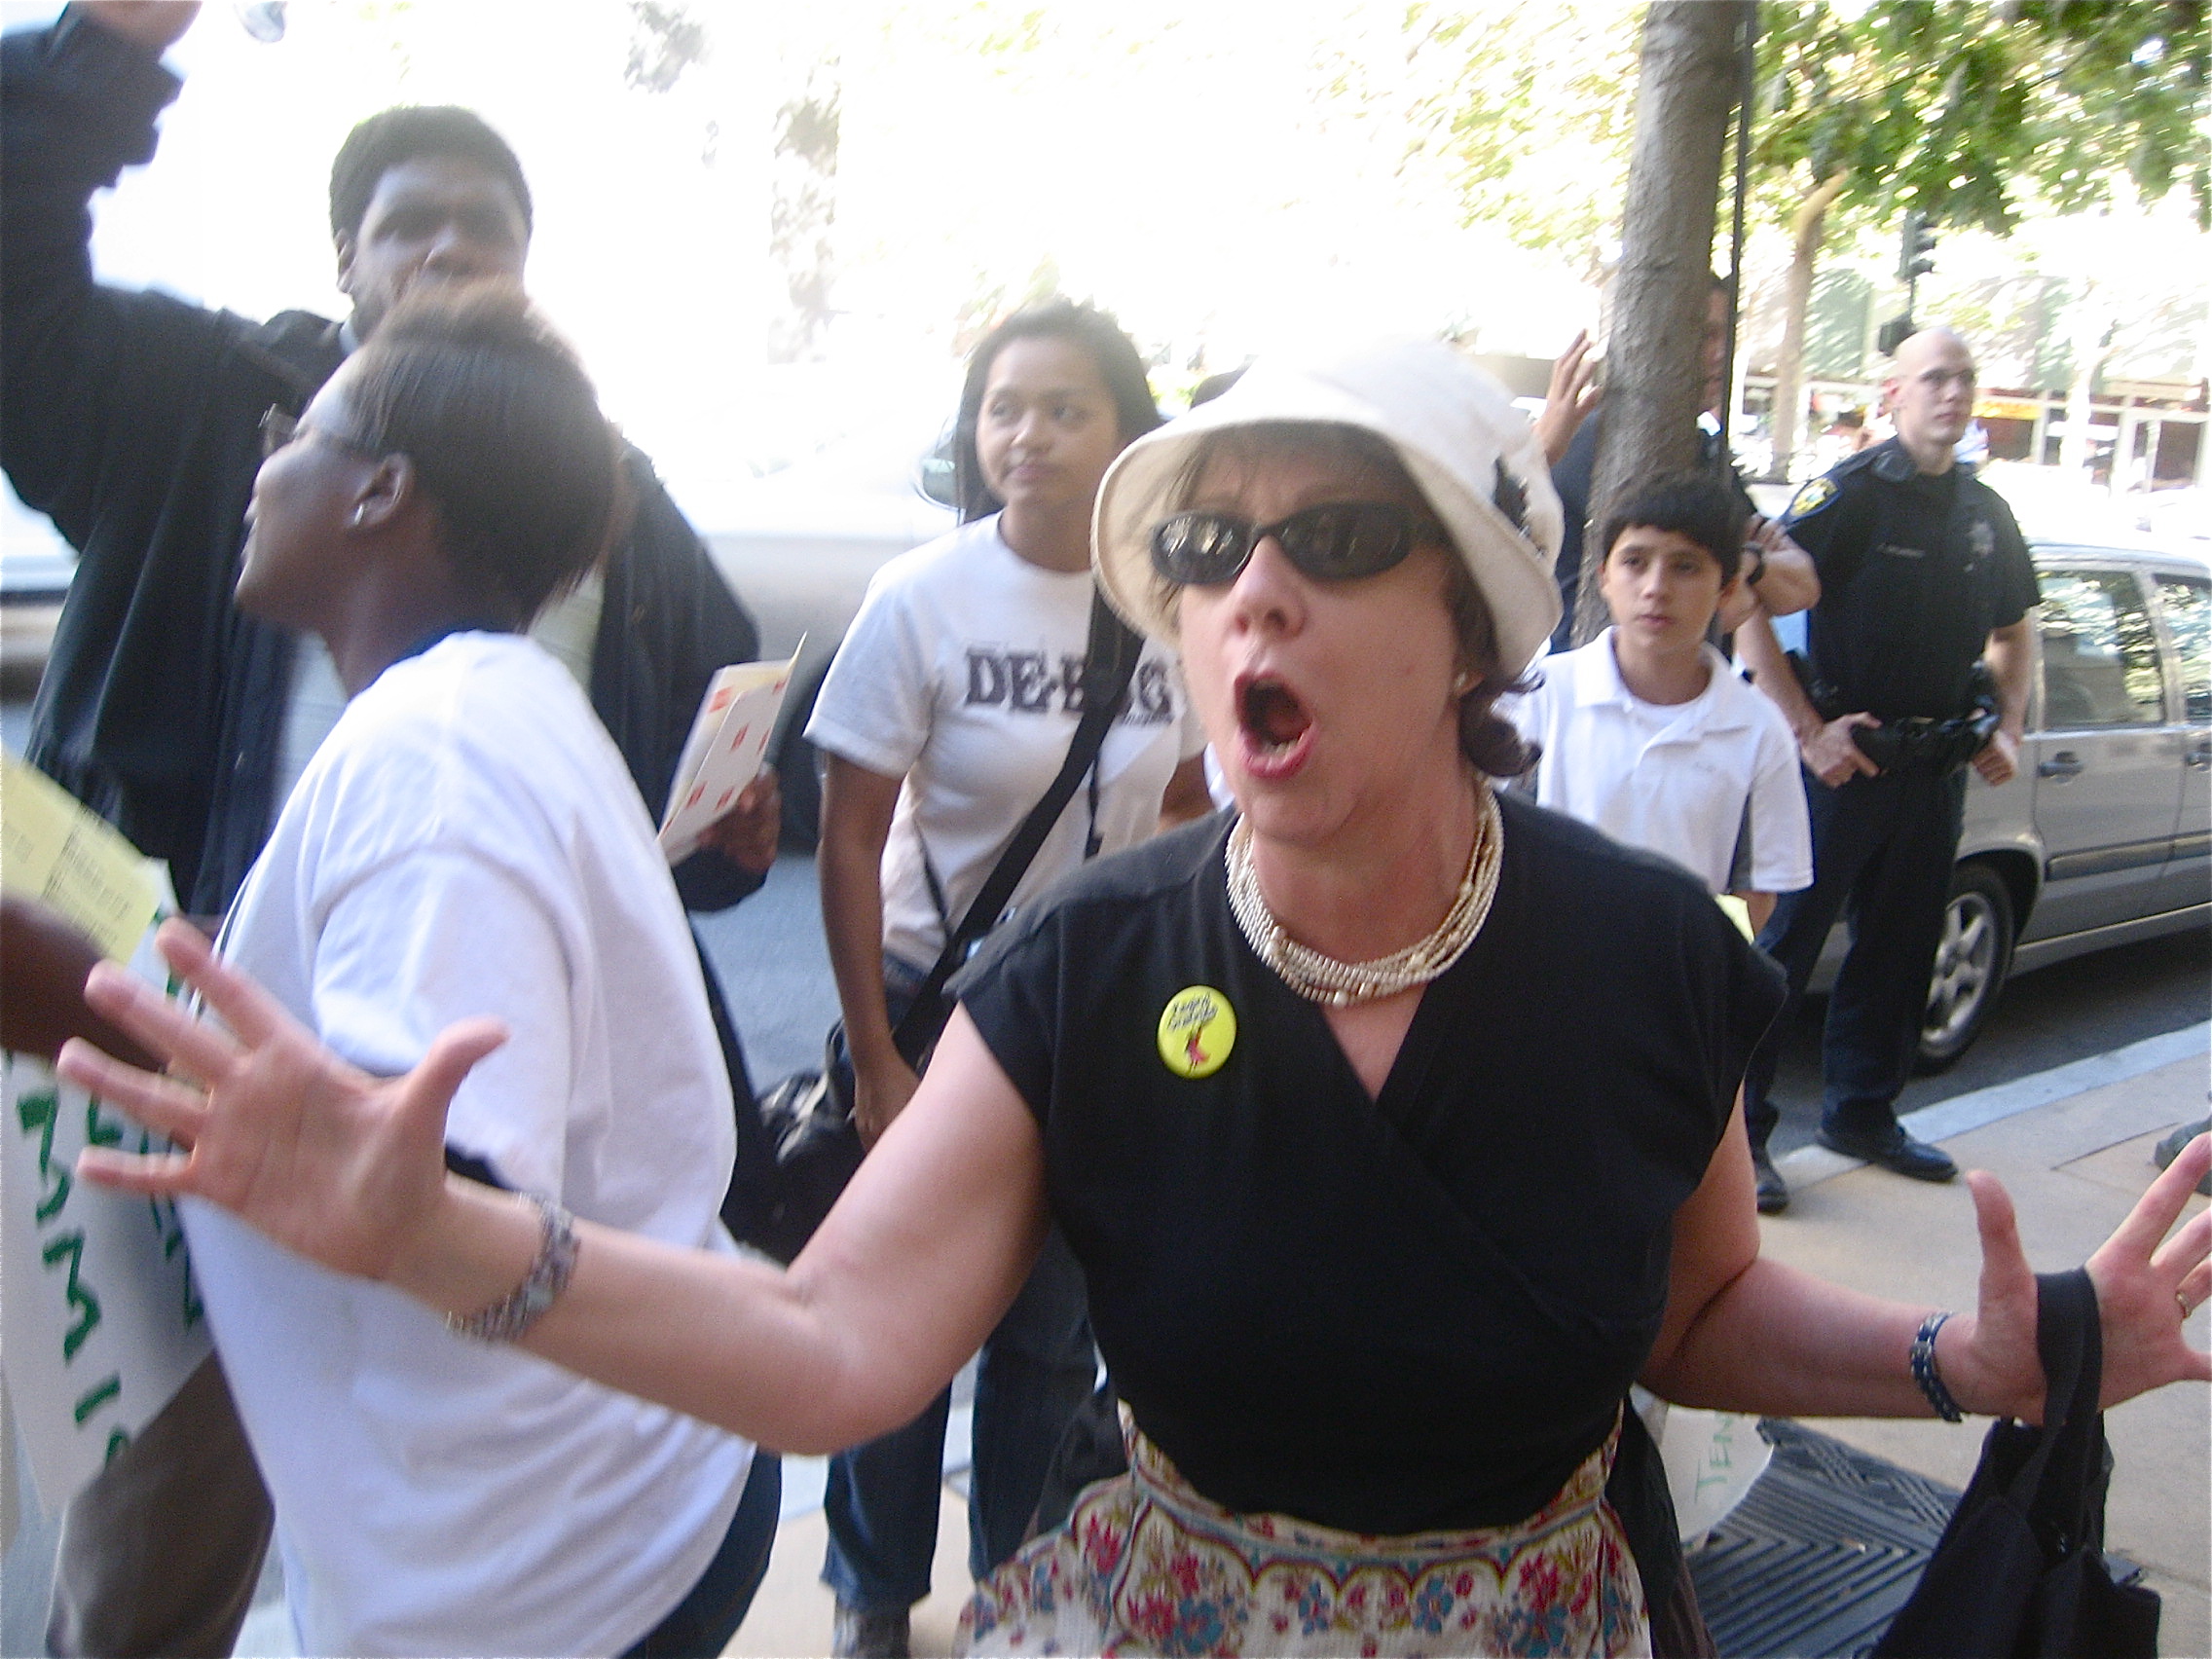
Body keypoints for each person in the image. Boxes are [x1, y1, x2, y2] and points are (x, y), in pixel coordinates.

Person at [60, 338, 2210, 1659]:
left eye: (1334, 534)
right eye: (1205, 552)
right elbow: (826, 1349)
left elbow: (1692, 1312)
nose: (1249, 586)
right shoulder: (1090, 963)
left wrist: (1961, 1358)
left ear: (1471, 622)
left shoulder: (1645, 954)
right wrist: (441, 1234)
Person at [0, 9, 778, 1650]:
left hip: (542, 1578)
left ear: (379, 493)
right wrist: (96, 56)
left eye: (301, 440)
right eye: (402, 224)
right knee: (147, 1573)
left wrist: (60, 986)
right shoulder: (210, 420)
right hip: (610, 1485)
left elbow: (397, 1197)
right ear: (341, 256)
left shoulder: (441, 745)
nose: (264, 460)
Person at [804, 297, 1211, 1656]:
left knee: (1045, 1341)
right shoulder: (920, 596)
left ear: (1124, 432)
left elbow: (1190, 811)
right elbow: (849, 840)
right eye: (1003, 408)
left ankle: (1015, 1590)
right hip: (938, 1008)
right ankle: (873, 1592)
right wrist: (875, 1055)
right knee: (902, 1329)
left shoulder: (1170, 605)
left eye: (1063, 409)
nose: (1026, 435)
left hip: (1098, 1022)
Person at [1735, 326, 2037, 1214]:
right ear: (1893, 392)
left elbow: (2014, 629)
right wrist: (1806, 731)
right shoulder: (1850, 495)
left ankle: (1863, 1115)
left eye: (1964, 379)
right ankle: (1742, 1139)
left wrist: (2010, 726)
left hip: (1934, 768)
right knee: (1781, 952)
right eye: (1934, 378)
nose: (1953, 393)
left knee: (1900, 951)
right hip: (1843, 768)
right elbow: (1749, 602)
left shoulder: (1986, 511)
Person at [1506, 469, 1811, 931]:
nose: (1655, 588)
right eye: (1635, 562)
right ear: (1604, 577)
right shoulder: (1539, 695)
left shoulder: (1757, 729)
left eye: (1685, 567)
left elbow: (1759, 892)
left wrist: (1688, 958)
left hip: (1679, 971)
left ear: (1727, 589)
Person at [1537, 283, 1819, 652]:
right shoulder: (1601, 442)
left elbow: (1801, 588)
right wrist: (1748, 574)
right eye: (1706, 336)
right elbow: (1727, 608)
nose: (1721, 353)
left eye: (1727, 335)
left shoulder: (1703, 447)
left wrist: (1748, 564)